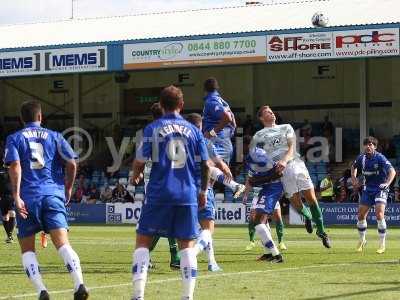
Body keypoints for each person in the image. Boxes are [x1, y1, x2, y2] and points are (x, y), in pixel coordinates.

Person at [131, 86, 210, 300]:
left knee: (143, 243)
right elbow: (206, 165)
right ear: (181, 105)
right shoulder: (193, 130)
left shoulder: (153, 128)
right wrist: (203, 190)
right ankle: (187, 297)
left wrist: (134, 176)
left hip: (159, 193)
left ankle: (137, 296)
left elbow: (139, 161)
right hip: (187, 194)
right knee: (187, 245)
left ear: (161, 105)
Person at [4, 100, 88, 300]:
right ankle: (79, 285)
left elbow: (15, 165)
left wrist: (16, 195)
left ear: (21, 119)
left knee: (27, 249)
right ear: (40, 117)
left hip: (28, 198)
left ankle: (42, 290)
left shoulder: (14, 138)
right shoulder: (56, 136)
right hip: (52, 195)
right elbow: (72, 164)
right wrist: (67, 188)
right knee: (63, 243)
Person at [252, 106, 331, 248]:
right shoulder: (258, 136)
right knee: (296, 203)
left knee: (312, 198)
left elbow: (292, 147)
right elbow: (256, 156)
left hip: (296, 164)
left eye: (272, 111)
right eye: (267, 112)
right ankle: (307, 217)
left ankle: (322, 231)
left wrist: (284, 160)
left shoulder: (286, 127)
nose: (272, 113)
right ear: (261, 118)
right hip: (281, 172)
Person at [186, 113, 240, 272]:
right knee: (208, 229)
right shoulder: (203, 142)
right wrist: (228, 174)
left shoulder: (179, 144)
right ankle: (193, 254)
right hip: (202, 189)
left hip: (185, 191)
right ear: (200, 126)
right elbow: (213, 165)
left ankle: (212, 262)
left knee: (198, 230)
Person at [351, 136, 396, 254]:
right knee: (360, 215)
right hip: (367, 189)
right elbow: (353, 167)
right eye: (366, 144)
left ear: (375, 146)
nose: (368, 146)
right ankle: (362, 240)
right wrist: (354, 179)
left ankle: (382, 245)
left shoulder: (380, 158)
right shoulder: (361, 158)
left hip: (380, 188)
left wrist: (387, 183)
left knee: (379, 214)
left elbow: (392, 171)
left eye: (371, 144)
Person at [242, 147, 283, 263]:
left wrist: (259, 180)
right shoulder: (254, 164)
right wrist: (246, 194)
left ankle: (276, 255)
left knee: (258, 222)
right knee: (261, 222)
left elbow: (280, 174)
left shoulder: (271, 164)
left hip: (273, 189)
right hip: (266, 190)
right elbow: (250, 180)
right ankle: (267, 253)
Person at [202, 77, 236, 165]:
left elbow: (228, 118)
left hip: (218, 145)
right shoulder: (222, 101)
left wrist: (211, 133)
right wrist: (229, 133)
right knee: (220, 175)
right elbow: (233, 121)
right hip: (224, 143)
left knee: (212, 173)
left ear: (205, 89)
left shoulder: (211, 101)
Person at [244, 186, 287, 252]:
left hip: (271, 196)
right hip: (258, 197)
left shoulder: (273, 176)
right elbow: (249, 182)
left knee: (278, 218)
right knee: (252, 219)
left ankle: (281, 242)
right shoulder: (254, 175)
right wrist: (245, 195)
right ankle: (251, 242)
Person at [0, 166, 16, 243]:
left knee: (12, 213)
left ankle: (9, 235)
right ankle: (9, 236)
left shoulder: (14, 168)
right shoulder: (1, 170)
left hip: (12, 195)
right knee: (5, 217)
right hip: (2, 196)